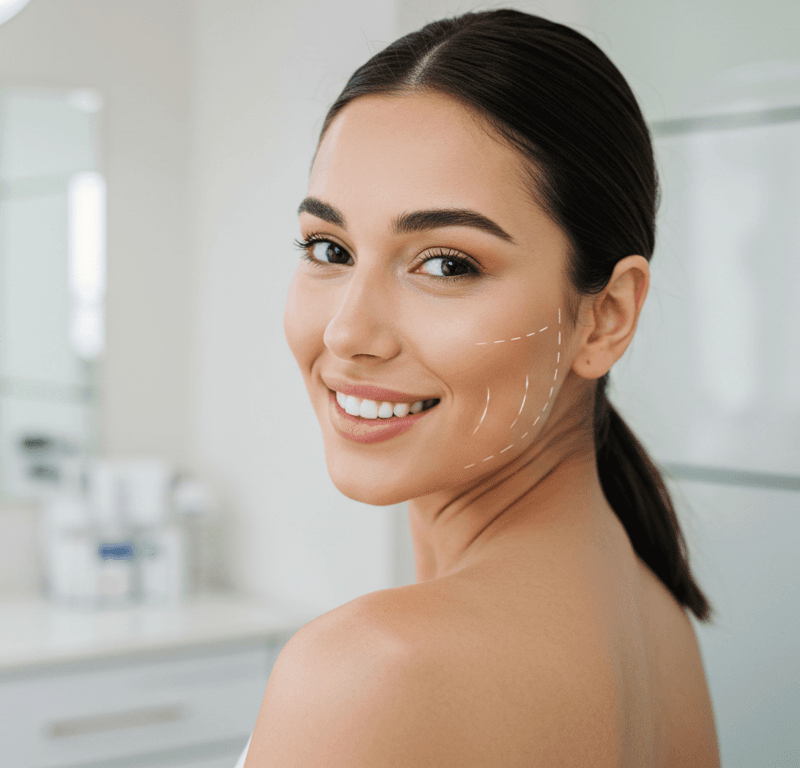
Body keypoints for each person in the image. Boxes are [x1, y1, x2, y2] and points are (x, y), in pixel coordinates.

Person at [243, 10, 718, 767]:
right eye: (328, 248)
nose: (346, 333)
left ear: (605, 317)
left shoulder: (379, 670)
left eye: (447, 264)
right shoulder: (655, 621)